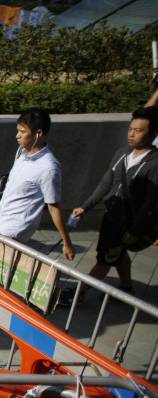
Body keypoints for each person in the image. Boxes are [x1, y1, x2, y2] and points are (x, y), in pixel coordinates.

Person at [59, 107, 158, 307]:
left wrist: (135, 230)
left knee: (105, 259)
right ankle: (126, 288)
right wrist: (86, 206)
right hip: (112, 216)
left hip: (127, 223)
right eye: (130, 129)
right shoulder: (122, 154)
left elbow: (151, 202)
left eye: (138, 130)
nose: (131, 134)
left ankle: (78, 293)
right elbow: (106, 183)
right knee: (117, 254)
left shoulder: (155, 164)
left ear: (153, 134)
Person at [0, 107, 75, 262]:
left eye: (22, 132)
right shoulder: (22, 152)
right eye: (17, 130)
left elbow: (54, 207)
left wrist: (66, 242)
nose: (17, 136)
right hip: (0, 220)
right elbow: (11, 181)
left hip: (14, 229)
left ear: (38, 133)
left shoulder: (48, 167)